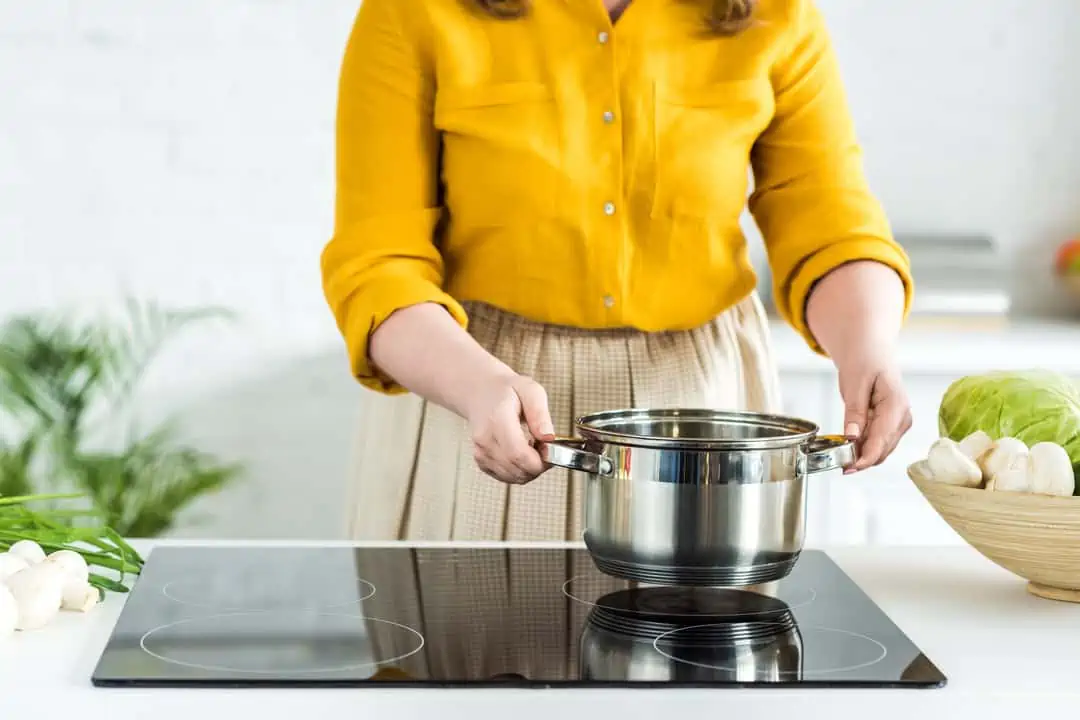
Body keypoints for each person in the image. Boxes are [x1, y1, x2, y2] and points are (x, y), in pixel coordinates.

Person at [321, 0, 914, 541]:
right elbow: (379, 264)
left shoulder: (779, 14)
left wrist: (867, 351)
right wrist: (473, 385)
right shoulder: (409, 12)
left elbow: (828, 222)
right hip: (470, 391)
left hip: (698, 400)